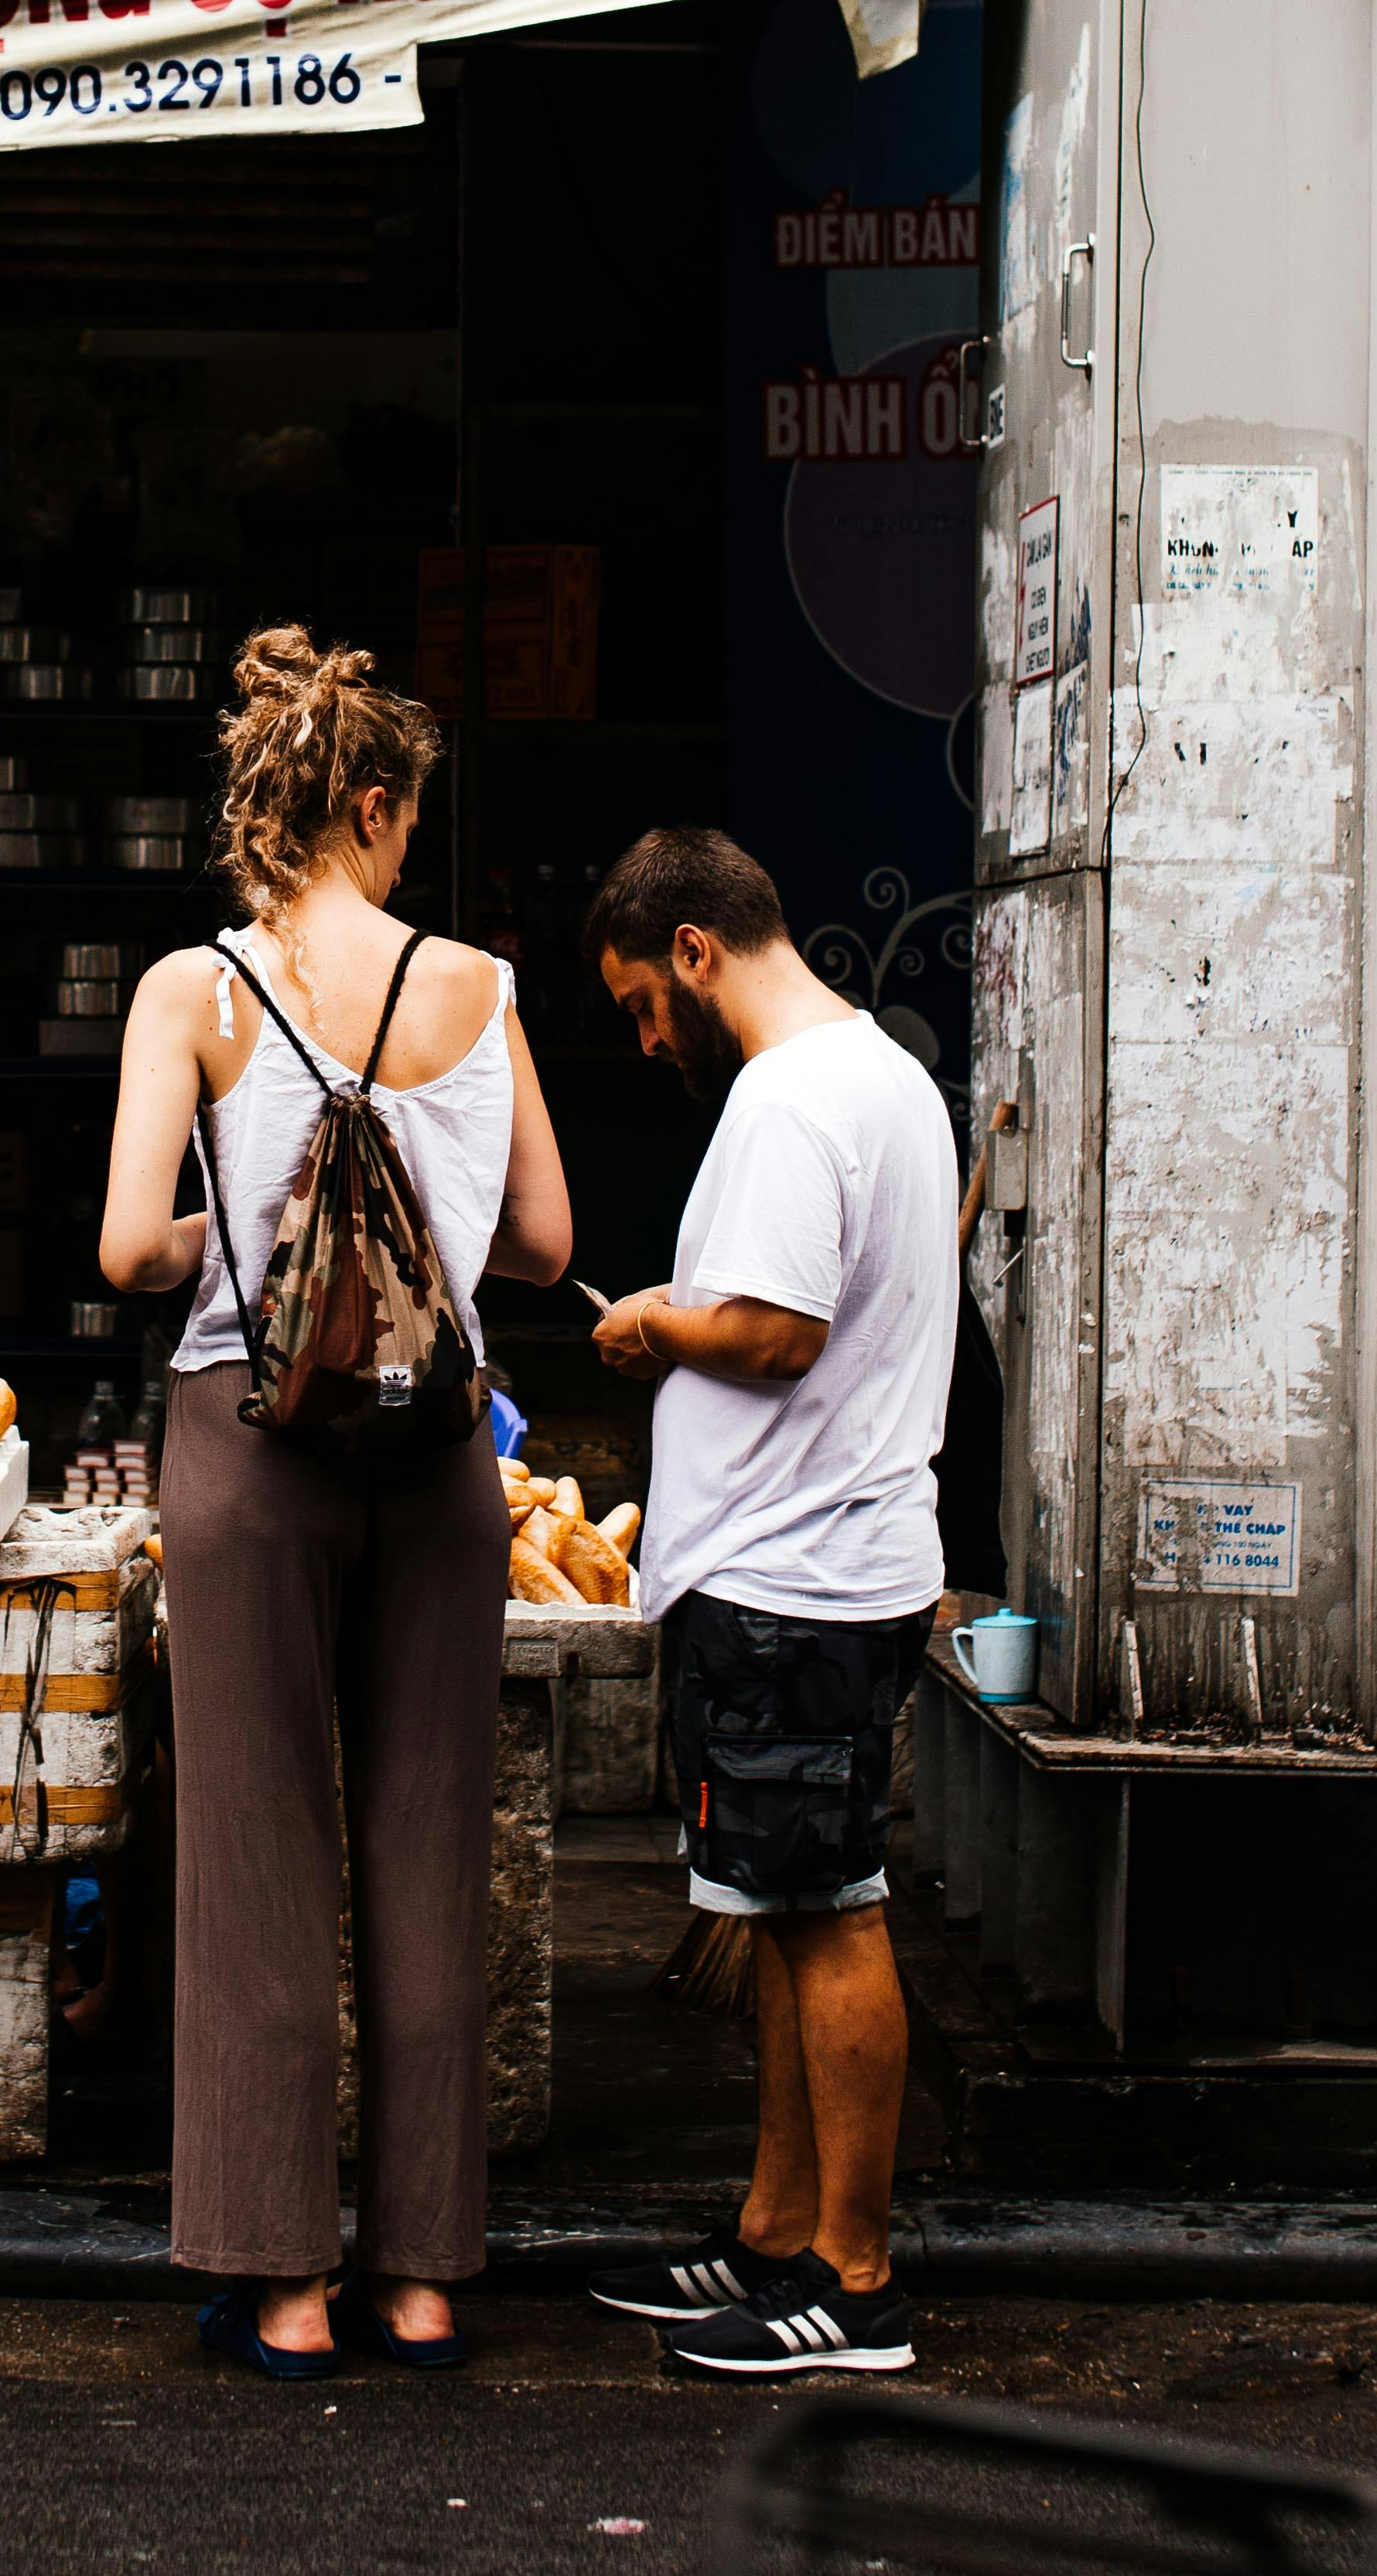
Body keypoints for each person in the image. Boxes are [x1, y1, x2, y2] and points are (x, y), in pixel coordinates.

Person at [100, 626, 573, 2376]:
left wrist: (237, 1233)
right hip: (436, 1447)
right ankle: (423, 2272)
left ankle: (281, 2279)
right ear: (371, 805)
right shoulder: (480, 985)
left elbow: (125, 1243)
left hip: (248, 1438)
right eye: (403, 821)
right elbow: (539, 1243)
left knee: (253, 1845)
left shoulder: (192, 991)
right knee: (429, 1838)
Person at [576, 827, 956, 2380]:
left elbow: (779, 1328)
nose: (645, 1038)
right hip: (818, 1565)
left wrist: (655, 1322)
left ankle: (851, 2282)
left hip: (797, 1577)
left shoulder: (794, 1098)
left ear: (688, 949)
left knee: (827, 1912)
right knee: (785, 1915)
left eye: (637, 1004)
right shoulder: (879, 1079)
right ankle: (773, 2234)